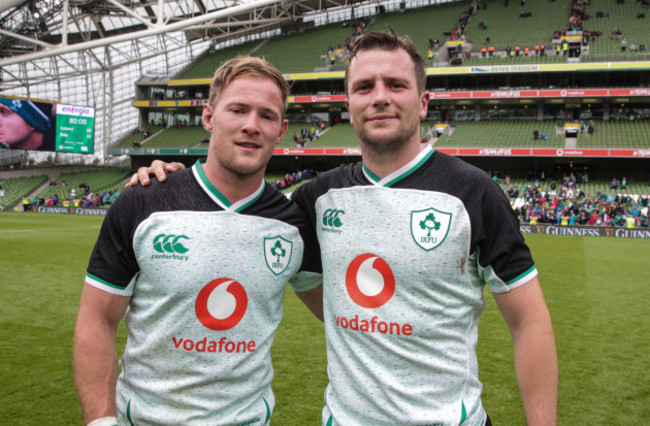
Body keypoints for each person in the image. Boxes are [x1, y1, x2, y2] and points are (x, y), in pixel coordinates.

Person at [134, 32, 558, 426]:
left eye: (395, 85)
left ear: (424, 101)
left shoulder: (473, 193)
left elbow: (530, 322)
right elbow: (265, 237)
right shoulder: (317, 199)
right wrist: (172, 180)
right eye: (364, 87)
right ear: (349, 103)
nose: (380, 98)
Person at [74, 57, 323, 426]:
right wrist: (101, 422)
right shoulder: (145, 200)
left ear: (281, 129)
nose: (251, 125)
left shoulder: (293, 224)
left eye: (266, 116)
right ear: (208, 117)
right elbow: (97, 319)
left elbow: (343, 314)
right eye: (237, 110)